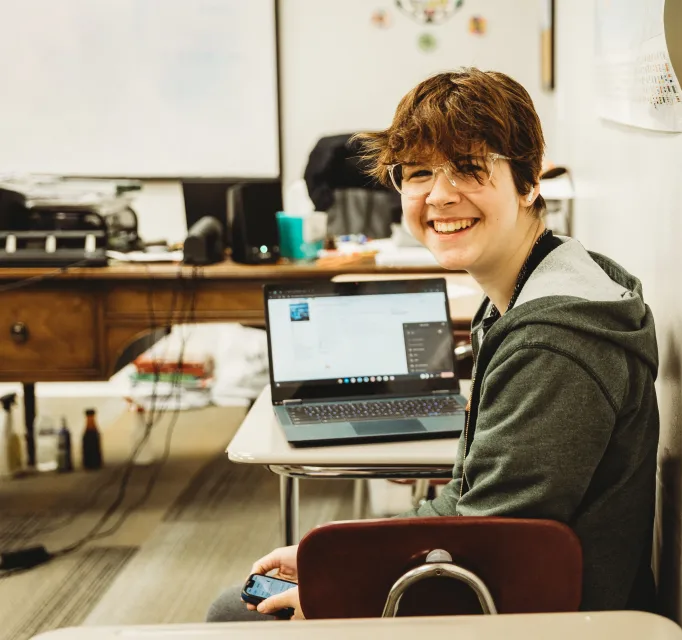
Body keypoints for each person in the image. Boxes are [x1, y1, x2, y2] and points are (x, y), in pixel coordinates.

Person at [207, 67, 659, 622]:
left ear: (528, 180)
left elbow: (492, 537)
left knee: (233, 613)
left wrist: (343, 583)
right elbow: (480, 508)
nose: (440, 196)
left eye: (468, 169)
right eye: (417, 173)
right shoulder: (541, 278)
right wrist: (333, 555)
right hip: (515, 582)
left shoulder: (554, 342)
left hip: (545, 611)